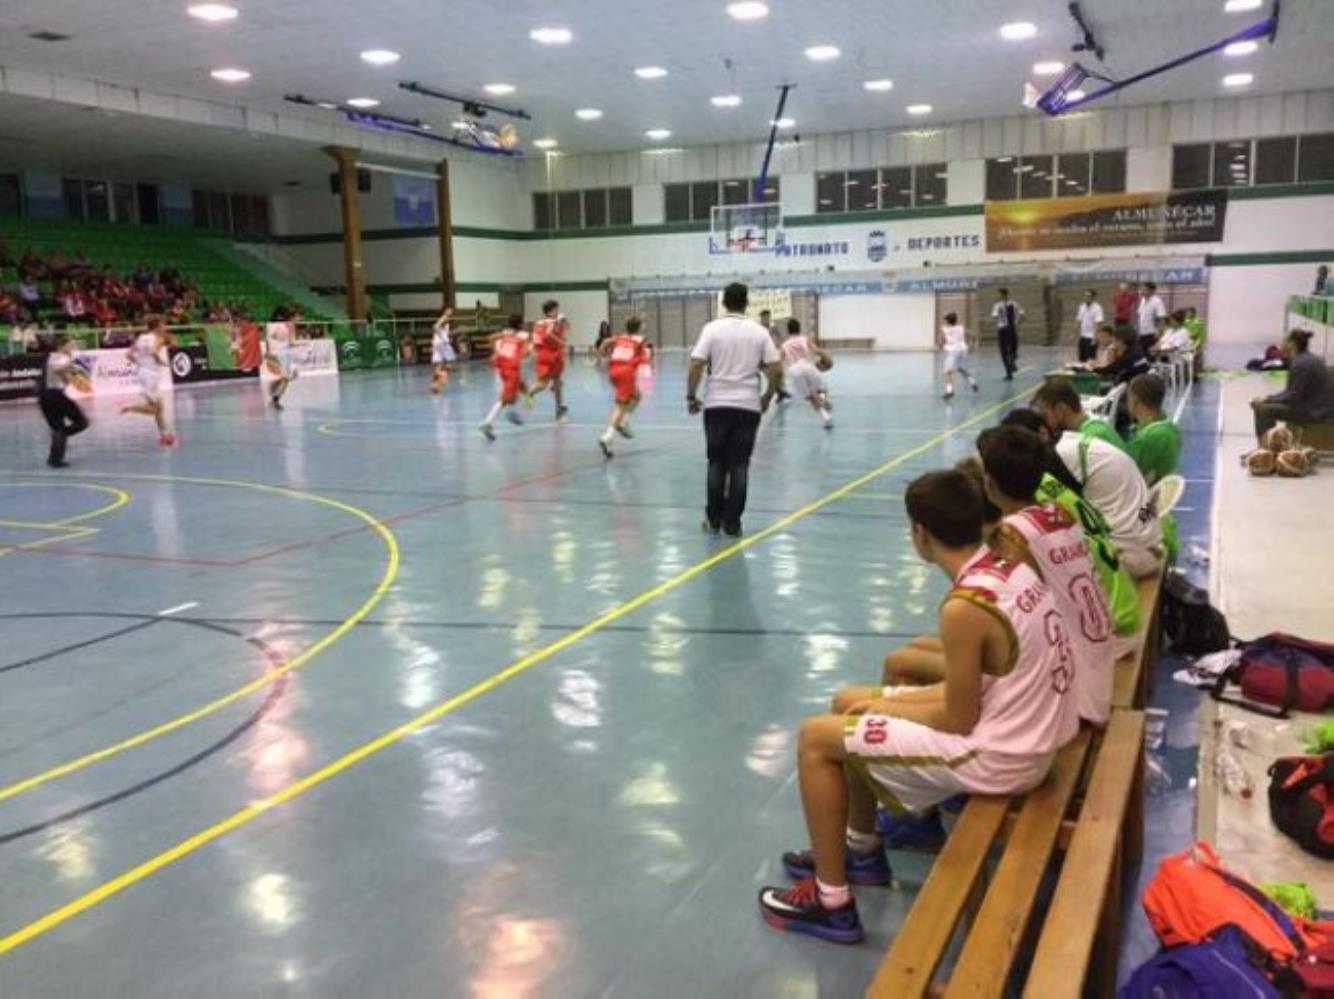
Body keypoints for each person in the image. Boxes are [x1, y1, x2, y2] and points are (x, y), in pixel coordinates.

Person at [757, 470, 1075, 944]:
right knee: (848, 702)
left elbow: (957, 717)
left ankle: (831, 902)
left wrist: (885, 711)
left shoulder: (965, 606)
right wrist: (875, 706)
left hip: (1005, 755)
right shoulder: (1010, 567)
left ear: (920, 533)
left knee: (816, 738)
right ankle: (861, 850)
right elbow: (978, 686)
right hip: (1030, 728)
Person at [1032, 380, 1163, 579]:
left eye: (1045, 414)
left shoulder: (1086, 439)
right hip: (1144, 530)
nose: (1044, 423)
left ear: (1060, 409)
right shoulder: (1093, 428)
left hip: (1133, 544)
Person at [686, 282, 783, 537]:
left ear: (724, 302)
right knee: (739, 465)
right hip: (747, 406)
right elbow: (776, 368)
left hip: (716, 404)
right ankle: (733, 523)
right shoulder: (759, 332)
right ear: (746, 303)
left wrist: (691, 396)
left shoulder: (711, 329)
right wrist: (768, 395)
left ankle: (713, 519)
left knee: (716, 462)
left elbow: (696, 364)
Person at [1250, 329, 1334, 442]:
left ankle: (1266, 449)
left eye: (1284, 340)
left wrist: (1267, 400)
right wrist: (1268, 398)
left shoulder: (1300, 364)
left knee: (1263, 410)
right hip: (1319, 407)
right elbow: (1290, 393)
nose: (1281, 344)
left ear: (1292, 343)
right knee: (1266, 405)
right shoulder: (1307, 359)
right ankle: (1272, 444)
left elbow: (1292, 397)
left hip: (1315, 412)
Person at [598, 316, 651, 457]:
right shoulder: (640, 340)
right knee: (620, 406)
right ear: (639, 327)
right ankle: (607, 436)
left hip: (613, 371)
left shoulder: (619, 337)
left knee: (637, 396)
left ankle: (622, 422)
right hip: (625, 373)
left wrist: (602, 354)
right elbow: (646, 356)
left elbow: (604, 342)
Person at [121, 318, 176, 447]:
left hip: (143, 373)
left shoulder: (141, 337)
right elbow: (153, 352)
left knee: (159, 407)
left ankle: (165, 436)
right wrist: (162, 362)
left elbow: (128, 354)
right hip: (151, 376)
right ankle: (130, 407)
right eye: (163, 325)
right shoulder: (158, 338)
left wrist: (141, 365)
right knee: (156, 409)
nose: (165, 327)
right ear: (157, 326)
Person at [38, 335, 90, 468]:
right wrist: (72, 361)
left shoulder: (55, 357)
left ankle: (55, 458)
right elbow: (60, 368)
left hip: (48, 397)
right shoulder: (58, 357)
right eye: (70, 345)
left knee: (59, 428)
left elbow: (66, 379)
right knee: (81, 422)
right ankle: (60, 437)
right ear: (61, 346)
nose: (72, 348)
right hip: (54, 396)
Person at [479, 314, 531, 440]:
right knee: (505, 400)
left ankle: (513, 412)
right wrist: (524, 352)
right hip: (511, 368)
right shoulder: (523, 336)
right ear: (520, 324)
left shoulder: (506, 332)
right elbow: (527, 352)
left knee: (522, 389)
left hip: (502, 366)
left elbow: (490, 337)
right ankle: (487, 423)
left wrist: (496, 352)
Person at [1125, 374, 1181, 486]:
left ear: (1135, 401)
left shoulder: (1150, 436)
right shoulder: (1170, 426)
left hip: (1145, 494)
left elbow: (1129, 473)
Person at [781, 318, 834, 426]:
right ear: (799, 329)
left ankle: (825, 417)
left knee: (810, 396)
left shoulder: (784, 345)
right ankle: (822, 401)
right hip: (808, 367)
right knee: (821, 389)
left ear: (788, 330)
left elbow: (779, 360)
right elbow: (816, 350)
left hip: (794, 370)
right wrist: (827, 358)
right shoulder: (805, 339)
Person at [528, 299, 569, 420]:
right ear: (550, 311)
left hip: (546, 355)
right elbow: (548, 334)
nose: (558, 311)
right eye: (556, 309)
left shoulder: (539, 323)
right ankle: (529, 393)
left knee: (556, 383)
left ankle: (559, 409)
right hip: (551, 356)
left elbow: (536, 339)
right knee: (545, 384)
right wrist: (561, 341)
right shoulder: (552, 322)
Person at [936, 311, 978, 400]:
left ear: (948, 321)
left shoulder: (944, 329)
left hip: (953, 351)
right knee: (961, 369)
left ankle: (949, 391)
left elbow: (941, 341)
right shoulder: (961, 327)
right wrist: (972, 346)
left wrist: (939, 347)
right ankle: (972, 382)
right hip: (963, 350)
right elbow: (973, 336)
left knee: (947, 372)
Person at [265, 308, 296, 410]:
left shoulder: (270, 325)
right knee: (287, 378)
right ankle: (275, 399)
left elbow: (269, 339)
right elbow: (291, 343)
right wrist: (305, 343)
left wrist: (268, 351)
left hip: (275, 353)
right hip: (282, 354)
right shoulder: (287, 325)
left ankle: (275, 391)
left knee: (287, 377)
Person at [990, 287, 1024, 380]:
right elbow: (1022, 314)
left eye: (999, 294)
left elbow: (994, 316)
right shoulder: (1015, 304)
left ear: (1003, 295)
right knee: (1013, 348)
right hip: (1011, 328)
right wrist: (1017, 322)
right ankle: (1011, 366)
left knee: (1005, 351)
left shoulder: (997, 305)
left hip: (1003, 329)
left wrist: (1000, 322)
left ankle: (1010, 369)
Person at [430, 307, 456, 394]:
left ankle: (435, 385)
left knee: (439, 365)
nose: (450, 312)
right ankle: (441, 379)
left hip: (437, 343)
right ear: (445, 311)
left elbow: (440, 329)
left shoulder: (446, 319)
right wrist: (443, 338)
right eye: (449, 310)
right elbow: (435, 327)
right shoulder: (444, 318)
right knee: (449, 365)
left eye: (451, 311)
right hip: (442, 344)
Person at [1136, 282, 1167, 355]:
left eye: (1144, 289)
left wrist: (1159, 333)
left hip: (1152, 334)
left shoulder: (1157, 301)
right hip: (1142, 333)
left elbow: (1161, 318)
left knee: (1150, 356)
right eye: (1142, 289)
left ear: (1152, 291)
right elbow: (1140, 316)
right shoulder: (1143, 300)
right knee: (1141, 355)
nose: (1142, 291)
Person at [1075, 289, 1104, 363]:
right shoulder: (1082, 307)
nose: (1086, 297)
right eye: (1085, 296)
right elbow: (1079, 320)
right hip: (1083, 336)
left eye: (1088, 296)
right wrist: (1077, 335)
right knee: (1081, 358)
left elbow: (1098, 323)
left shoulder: (1097, 308)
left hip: (1091, 337)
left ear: (1093, 297)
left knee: (1090, 359)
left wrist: (1095, 338)